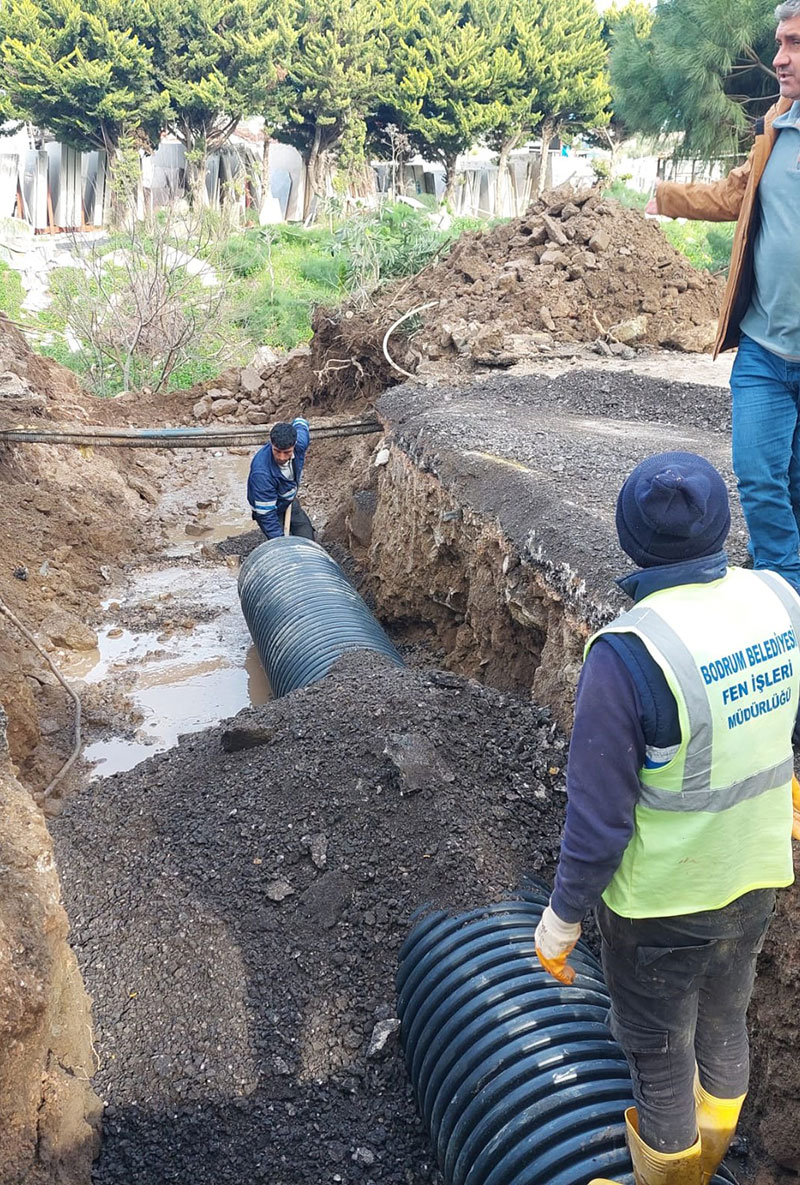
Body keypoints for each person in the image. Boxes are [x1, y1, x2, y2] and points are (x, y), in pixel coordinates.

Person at [534, 452, 800, 1185]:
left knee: (659, 1056)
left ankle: (671, 1176)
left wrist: (560, 920)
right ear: (721, 525)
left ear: (630, 538)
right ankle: (714, 1153)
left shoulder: (629, 654)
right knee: (724, 1020)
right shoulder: (780, 600)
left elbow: (597, 824)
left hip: (661, 909)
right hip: (755, 877)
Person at [644, 3, 800, 590]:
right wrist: (667, 197)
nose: (779, 58)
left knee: (795, 483)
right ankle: (783, 593)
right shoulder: (777, 126)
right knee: (760, 475)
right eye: (780, 43)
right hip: (764, 348)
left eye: (793, 44)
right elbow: (736, 195)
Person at [247, 417, 314, 541]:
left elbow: (300, 423)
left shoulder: (300, 443)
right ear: (271, 443)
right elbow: (267, 515)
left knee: (307, 536)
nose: (282, 457)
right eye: (277, 451)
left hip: (288, 499)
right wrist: (281, 542)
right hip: (269, 508)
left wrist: (299, 421)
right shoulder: (261, 473)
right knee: (280, 540)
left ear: (294, 444)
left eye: (287, 452)